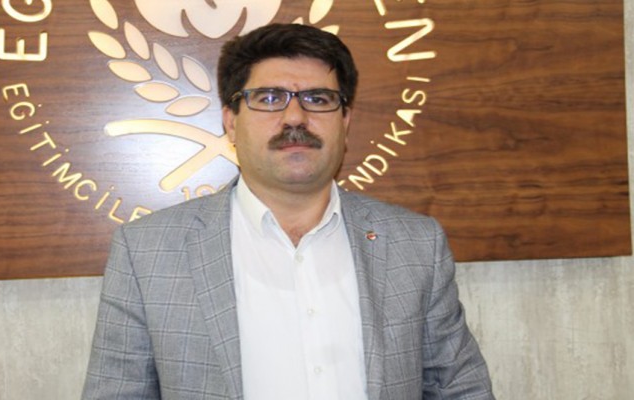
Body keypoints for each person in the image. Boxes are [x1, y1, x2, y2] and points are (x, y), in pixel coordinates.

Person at [82, 23, 493, 400]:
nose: (295, 117)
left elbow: (459, 389)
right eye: (269, 98)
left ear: (345, 120)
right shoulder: (146, 252)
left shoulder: (415, 244)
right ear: (231, 121)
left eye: (318, 99)